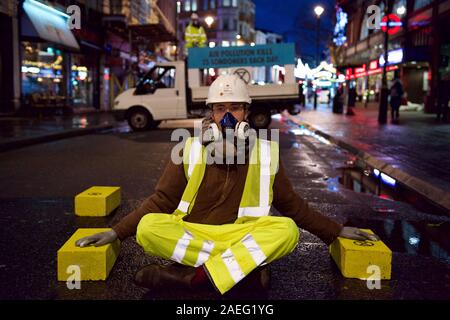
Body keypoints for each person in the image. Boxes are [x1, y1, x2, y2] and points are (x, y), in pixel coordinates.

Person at [75, 74, 379, 295]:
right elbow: (160, 201)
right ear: (211, 113)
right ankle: (240, 272)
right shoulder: (188, 148)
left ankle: (193, 278)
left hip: (240, 234)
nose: (228, 117)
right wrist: (115, 232)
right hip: (199, 234)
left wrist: (335, 231)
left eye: (235, 108)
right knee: (149, 227)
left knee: (285, 231)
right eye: (221, 109)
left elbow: (292, 206)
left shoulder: (265, 151)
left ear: (246, 113)